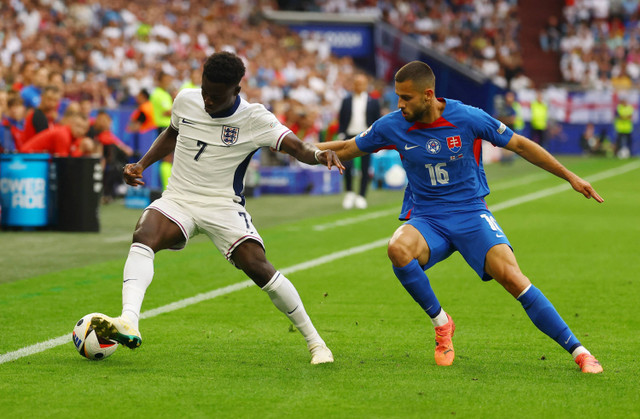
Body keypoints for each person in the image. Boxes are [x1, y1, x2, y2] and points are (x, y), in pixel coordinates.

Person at [317, 61, 604, 374]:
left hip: (471, 214)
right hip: (427, 219)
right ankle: (443, 324)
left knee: (512, 278)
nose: (399, 104)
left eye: (406, 98)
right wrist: (290, 145)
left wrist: (570, 176)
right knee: (397, 248)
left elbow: (520, 145)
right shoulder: (391, 125)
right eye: (398, 97)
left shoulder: (467, 117)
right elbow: (345, 147)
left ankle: (580, 352)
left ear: (428, 95)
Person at [89, 52, 344, 364]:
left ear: (236, 91)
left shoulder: (255, 118)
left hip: (223, 205)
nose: (207, 100)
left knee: (258, 267)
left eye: (216, 96)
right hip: (179, 197)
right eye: (205, 91)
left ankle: (316, 343)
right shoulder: (186, 99)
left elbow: (298, 147)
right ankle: (129, 320)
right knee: (144, 235)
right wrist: (141, 164)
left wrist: (319, 156)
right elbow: (173, 132)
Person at [337, 73, 381, 209]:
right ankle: (349, 192)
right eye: (356, 83)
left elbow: (376, 120)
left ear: (366, 85)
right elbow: (341, 117)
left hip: (366, 136)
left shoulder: (373, 102)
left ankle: (361, 195)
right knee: (347, 166)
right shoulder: (346, 100)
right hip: (349, 136)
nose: (358, 86)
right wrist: (341, 133)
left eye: (361, 83)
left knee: (364, 167)